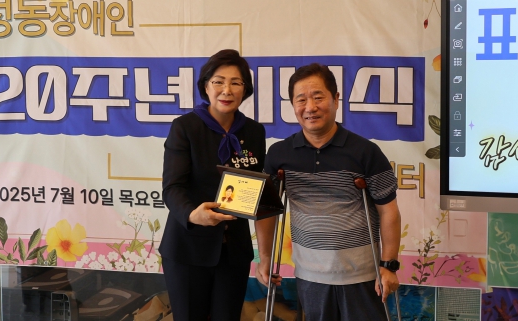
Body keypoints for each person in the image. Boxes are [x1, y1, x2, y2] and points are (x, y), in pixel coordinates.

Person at [256, 63, 401, 321]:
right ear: (293, 105)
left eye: (318, 97)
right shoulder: (279, 155)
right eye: (301, 99)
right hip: (310, 275)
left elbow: (388, 211)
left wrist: (388, 265)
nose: (310, 107)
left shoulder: (365, 152)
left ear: (336, 99)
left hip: (361, 275)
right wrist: (265, 258)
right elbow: (267, 210)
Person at [159, 49, 275, 321]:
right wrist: (193, 214)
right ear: (206, 86)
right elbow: (172, 188)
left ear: (245, 89)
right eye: (218, 81)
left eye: (236, 82)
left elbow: (257, 192)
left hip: (234, 252)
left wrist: (266, 255)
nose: (227, 90)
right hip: (187, 249)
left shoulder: (254, 131)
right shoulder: (185, 127)